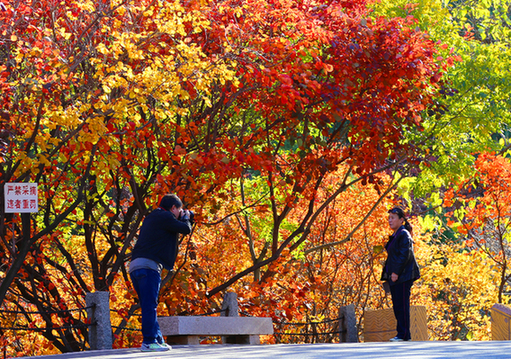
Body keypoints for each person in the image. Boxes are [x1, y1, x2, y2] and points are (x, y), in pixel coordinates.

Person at [129, 194, 194, 352]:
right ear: (173, 208)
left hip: (135, 265)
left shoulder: (154, 217)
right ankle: (149, 342)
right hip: (148, 266)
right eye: (179, 210)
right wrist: (187, 217)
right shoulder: (165, 216)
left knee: (149, 304)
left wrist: (184, 217)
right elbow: (185, 229)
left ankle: (157, 339)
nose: (180, 213)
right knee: (150, 305)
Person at [381, 207, 420, 342]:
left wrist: (395, 272)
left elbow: (405, 254)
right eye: (389, 218)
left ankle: (403, 335)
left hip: (402, 276)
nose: (390, 220)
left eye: (393, 217)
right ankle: (403, 334)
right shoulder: (397, 234)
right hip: (396, 276)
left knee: (402, 305)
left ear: (401, 220)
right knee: (398, 305)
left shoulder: (403, 234)